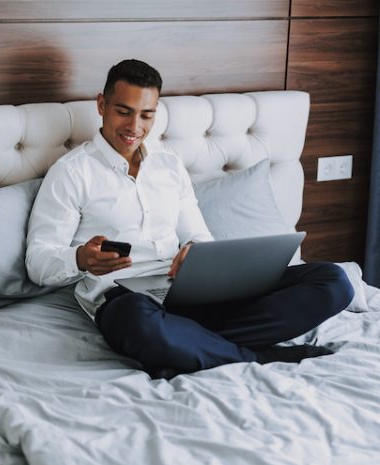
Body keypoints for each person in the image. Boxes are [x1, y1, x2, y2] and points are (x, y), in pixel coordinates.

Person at [25, 59, 354, 379]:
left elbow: (197, 234)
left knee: (333, 281)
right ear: (102, 104)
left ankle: (188, 348)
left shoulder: (168, 164)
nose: (134, 127)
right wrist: (81, 258)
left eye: (146, 115)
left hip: (188, 291)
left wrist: (195, 252)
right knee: (137, 323)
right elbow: (38, 264)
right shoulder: (71, 172)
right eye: (123, 111)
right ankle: (256, 356)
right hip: (126, 300)